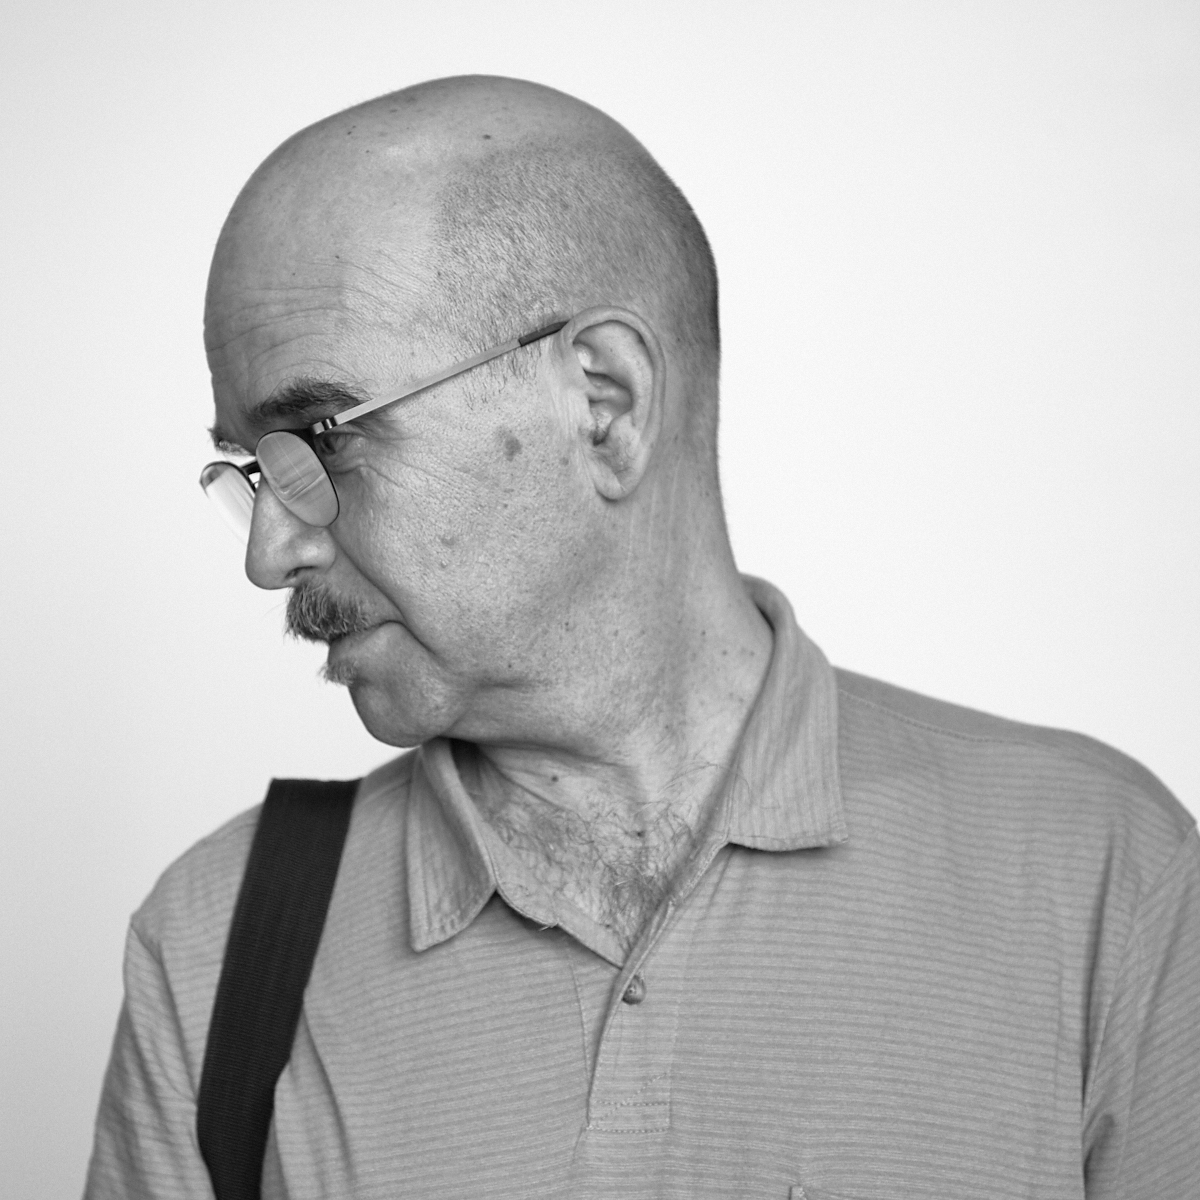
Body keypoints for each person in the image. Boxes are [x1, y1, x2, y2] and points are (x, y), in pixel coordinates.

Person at [85, 75, 1199, 1199]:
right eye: (250, 469)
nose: (268, 552)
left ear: (603, 405)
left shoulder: (1106, 879)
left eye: (321, 441)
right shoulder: (217, 949)